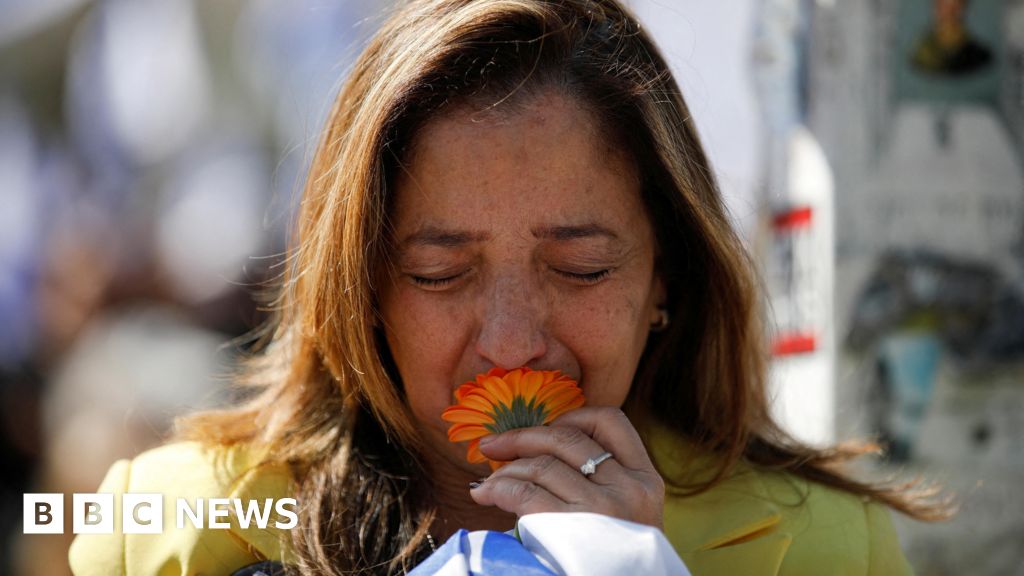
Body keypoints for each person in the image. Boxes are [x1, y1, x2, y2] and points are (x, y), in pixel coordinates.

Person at [69, 0, 948, 574]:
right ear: (364, 288)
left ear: (665, 279)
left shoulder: (825, 548)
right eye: (439, 273)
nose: (512, 340)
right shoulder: (168, 528)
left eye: (582, 269)